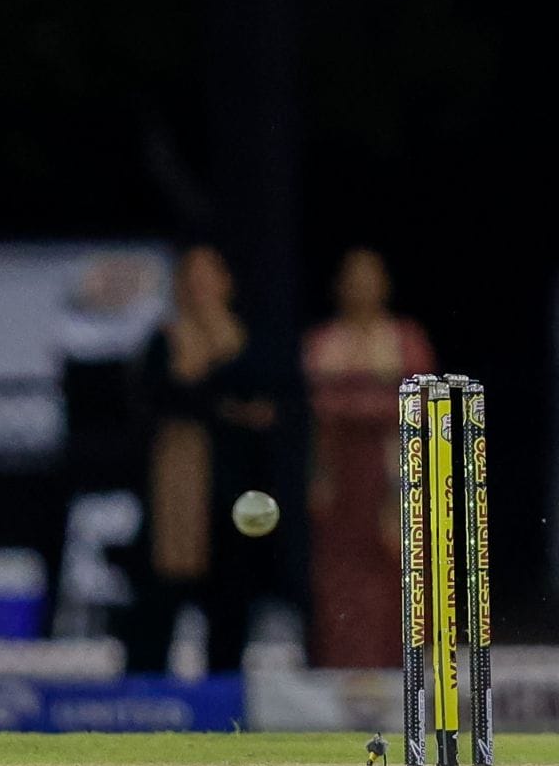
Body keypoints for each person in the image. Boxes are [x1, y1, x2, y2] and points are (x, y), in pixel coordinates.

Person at [114, 243, 279, 674]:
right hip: (177, 496)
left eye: (208, 278)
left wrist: (214, 399)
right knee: (160, 601)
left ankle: (224, 705)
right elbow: (165, 399)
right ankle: (145, 702)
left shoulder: (248, 340)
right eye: (189, 280)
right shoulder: (164, 341)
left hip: (236, 493)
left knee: (231, 604)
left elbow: (265, 403)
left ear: (227, 284)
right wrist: (224, 406)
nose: (198, 289)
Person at [300, 248, 435, 668]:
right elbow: (312, 411)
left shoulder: (404, 338)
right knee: (338, 576)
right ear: (339, 287)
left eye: (369, 278)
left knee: (397, 568)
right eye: (352, 279)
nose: (360, 288)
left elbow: (419, 402)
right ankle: (338, 670)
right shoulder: (322, 342)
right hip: (338, 477)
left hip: (392, 474)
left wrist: (354, 405)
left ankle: (405, 674)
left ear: (384, 285)